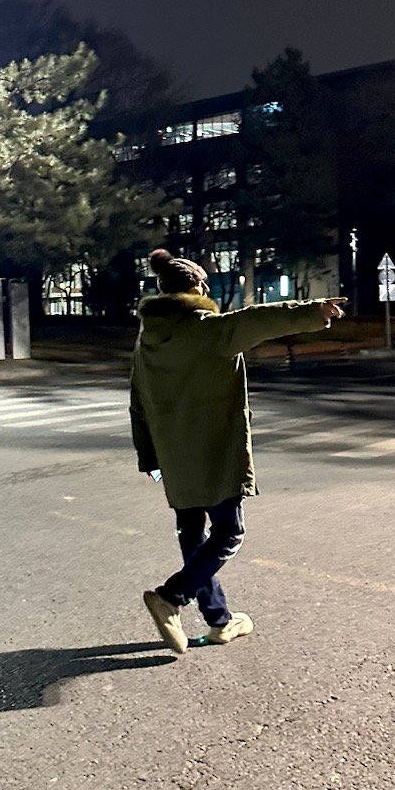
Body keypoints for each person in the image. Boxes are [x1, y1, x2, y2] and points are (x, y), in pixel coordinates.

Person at [130, 248, 346, 653]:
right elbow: (257, 320)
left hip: (174, 459)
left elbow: (137, 403)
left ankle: (220, 621)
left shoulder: (147, 342)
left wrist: (150, 460)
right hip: (214, 453)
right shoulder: (208, 330)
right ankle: (171, 597)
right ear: (197, 287)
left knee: (193, 536)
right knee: (229, 533)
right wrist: (314, 311)